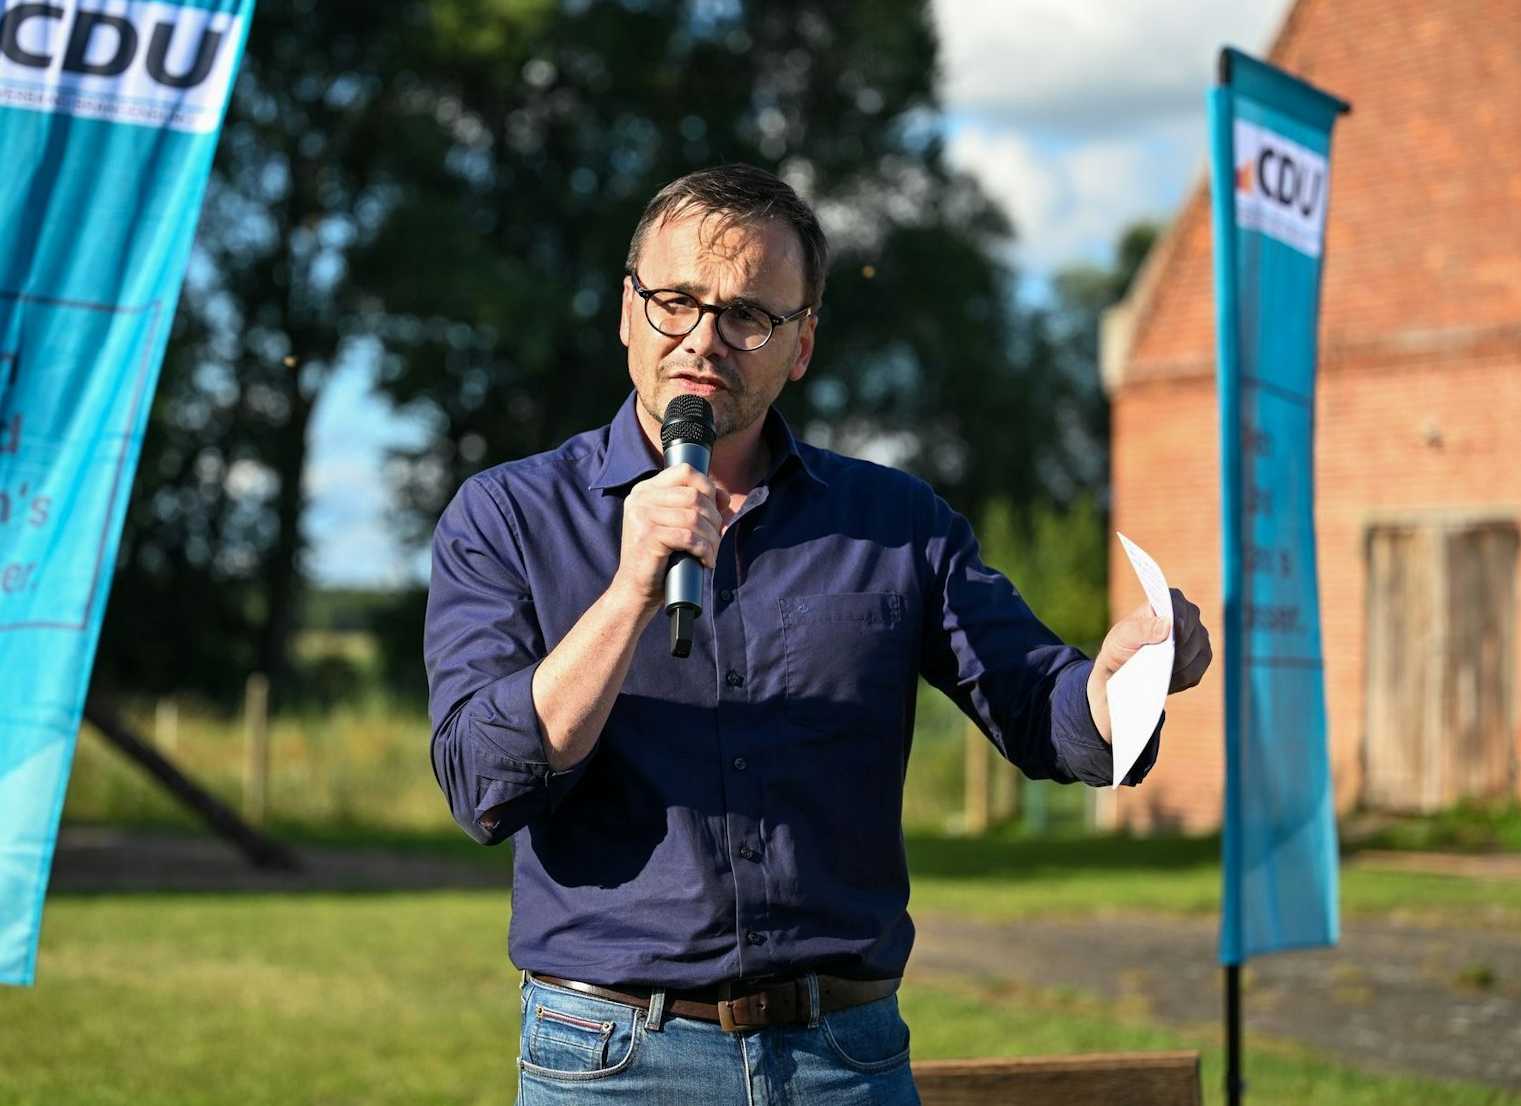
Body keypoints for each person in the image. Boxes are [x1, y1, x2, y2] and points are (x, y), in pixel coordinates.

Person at [426, 163, 1212, 1103]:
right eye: (676, 301)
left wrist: (1121, 679)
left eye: (749, 315)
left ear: (800, 345)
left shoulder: (896, 523)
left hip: (845, 1058)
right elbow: (484, 782)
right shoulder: (507, 517)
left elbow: (1045, 710)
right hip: (612, 1059)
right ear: (627, 311)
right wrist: (632, 588)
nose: (705, 338)